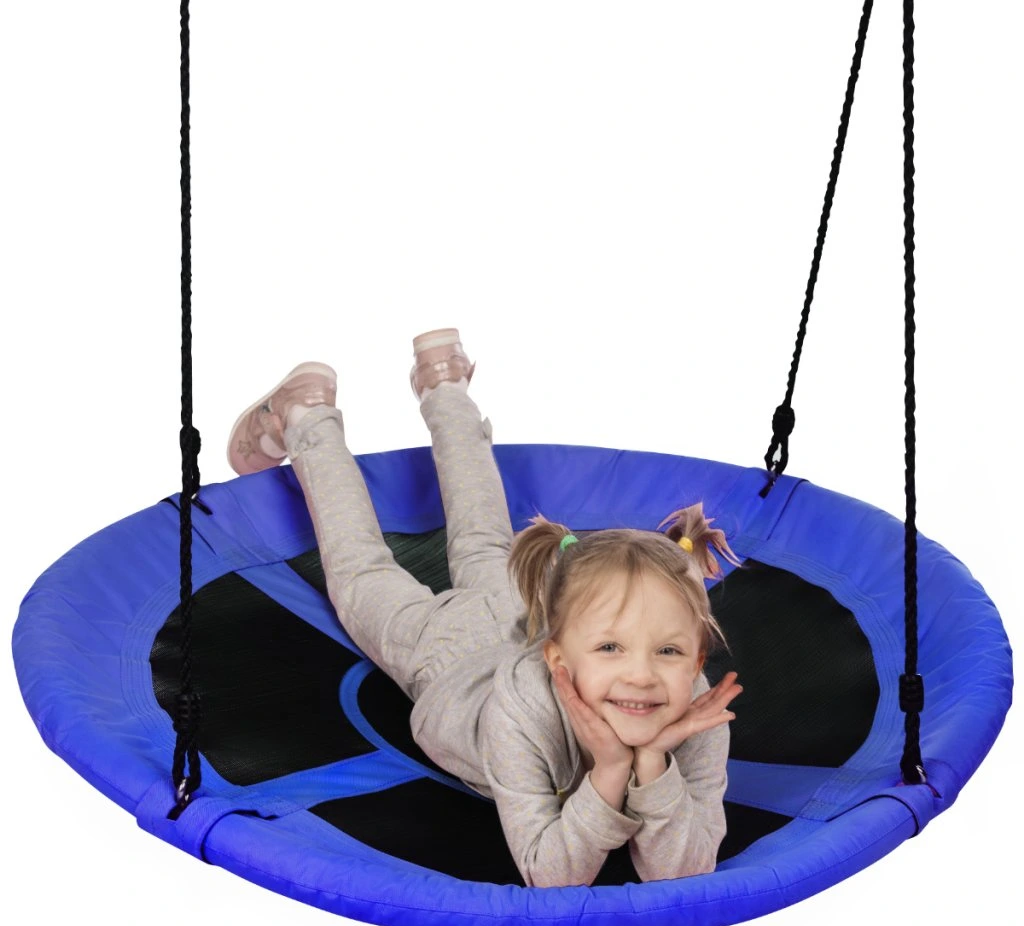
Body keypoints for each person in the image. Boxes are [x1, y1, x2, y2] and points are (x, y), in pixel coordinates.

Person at [227, 328, 743, 887]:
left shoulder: (699, 712)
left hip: (515, 609)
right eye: (611, 647)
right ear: (556, 655)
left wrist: (651, 763)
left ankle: (445, 385)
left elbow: (685, 872)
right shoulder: (521, 713)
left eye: (668, 651)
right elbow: (551, 874)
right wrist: (612, 769)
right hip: (447, 655)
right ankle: (306, 417)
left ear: (697, 660)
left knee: (484, 543)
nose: (641, 676)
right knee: (362, 572)